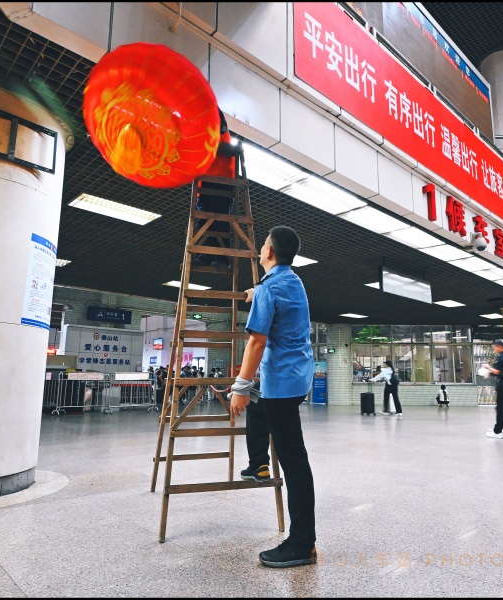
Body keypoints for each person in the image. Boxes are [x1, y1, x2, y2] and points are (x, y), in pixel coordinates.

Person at [228, 225, 317, 569]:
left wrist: (240, 387)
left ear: (269, 251)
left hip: (280, 382)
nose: (261, 248)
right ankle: (257, 463)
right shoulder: (293, 281)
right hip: (296, 377)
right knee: (259, 409)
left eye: (263, 244)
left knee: (294, 462)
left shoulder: (270, 289)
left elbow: (257, 341)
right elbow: (275, 298)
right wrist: (256, 293)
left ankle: (301, 543)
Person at [190, 109, 239, 270]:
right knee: (205, 221)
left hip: (220, 178)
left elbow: (216, 132)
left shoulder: (215, 122)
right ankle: (207, 256)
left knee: (219, 221)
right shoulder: (208, 124)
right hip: (208, 179)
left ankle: (223, 259)